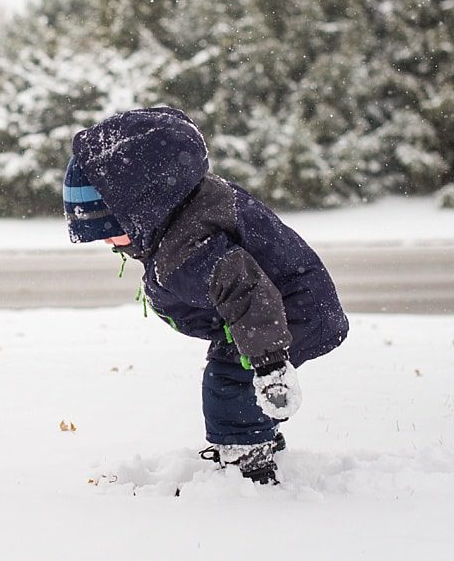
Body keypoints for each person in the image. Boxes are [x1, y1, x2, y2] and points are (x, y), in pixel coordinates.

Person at [63, 106, 349, 484]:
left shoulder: (186, 247)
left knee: (230, 379)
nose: (109, 243)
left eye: (110, 231)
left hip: (289, 312)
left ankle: (249, 464)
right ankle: (253, 440)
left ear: (139, 211)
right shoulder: (187, 205)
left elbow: (246, 287)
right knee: (232, 373)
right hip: (274, 311)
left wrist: (268, 363)